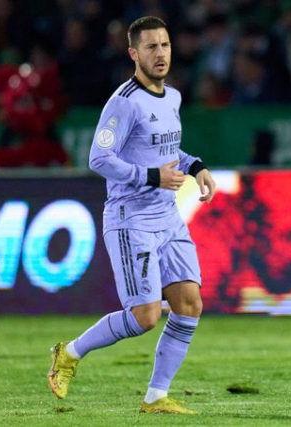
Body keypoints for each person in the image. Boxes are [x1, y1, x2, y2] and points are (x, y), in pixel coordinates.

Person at [47, 16, 216, 415]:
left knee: (190, 303)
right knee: (145, 316)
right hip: (131, 219)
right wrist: (151, 176)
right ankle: (69, 353)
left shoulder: (171, 98)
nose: (160, 54)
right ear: (133, 54)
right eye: (151, 47)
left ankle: (156, 397)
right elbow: (98, 158)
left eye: (165, 45)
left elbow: (167, 151)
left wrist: (195, 167)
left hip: (167, 217)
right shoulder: (123, 102)